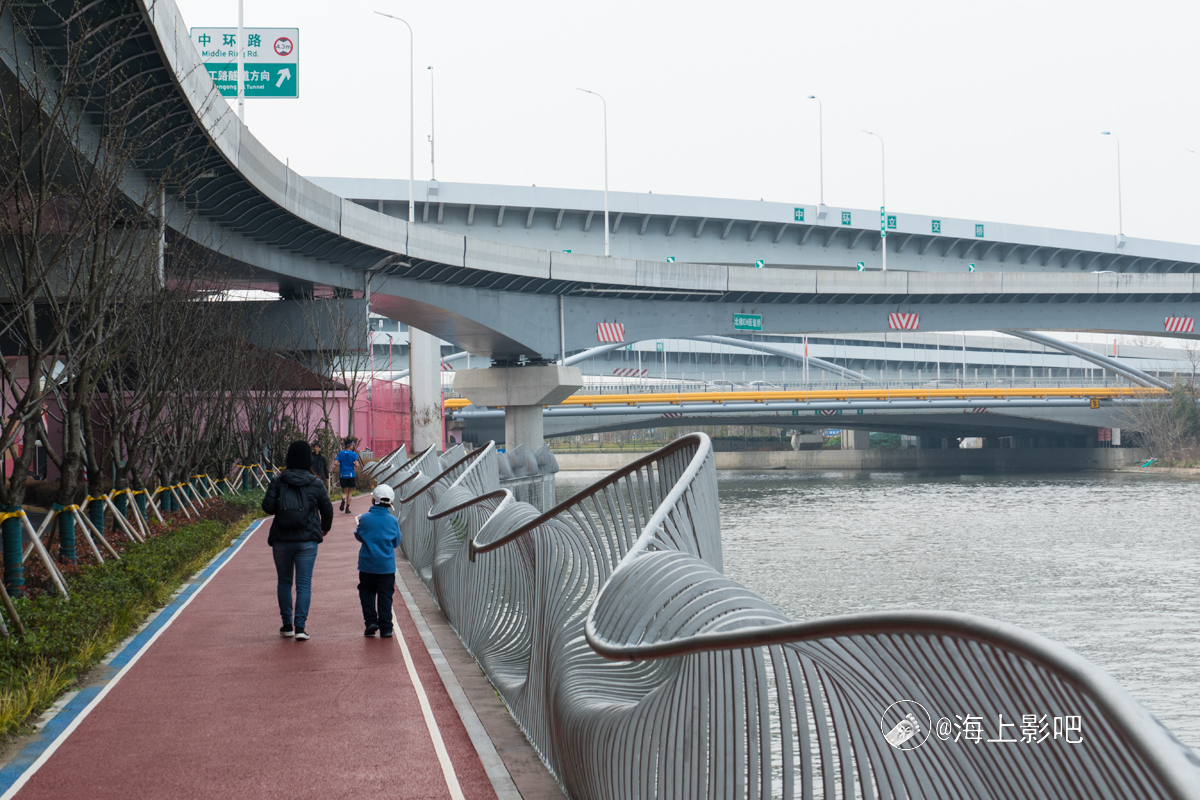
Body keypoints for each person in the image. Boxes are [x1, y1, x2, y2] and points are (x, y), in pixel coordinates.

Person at [262, 440, 333, 641]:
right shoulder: (316, 482)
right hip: (307, 540)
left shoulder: (278, 480)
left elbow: (267, 508)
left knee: (284, 582)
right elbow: (327, 508)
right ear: (308, 459)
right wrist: (324, 528)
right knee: (304, 584)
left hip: (281, 539)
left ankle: (287, 625)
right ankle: (301, 627)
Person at [354, 484, 400, 638]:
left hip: (367, 565)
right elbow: (396, 542)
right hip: (386, 567)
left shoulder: (365, 518)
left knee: (366, 592)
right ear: (391, 503)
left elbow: (359, 535)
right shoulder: (393, 521)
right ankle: (386, 627)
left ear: (373, 500)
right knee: (385, 596)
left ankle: (371, 621)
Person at [335, 438, 361, 514]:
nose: (353, 446)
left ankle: (343, 499)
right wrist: (353, 464)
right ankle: (347, 508)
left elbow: (335, 463)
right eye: (352, 445)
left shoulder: (340, 453)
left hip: (343, 474)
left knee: (344, 492)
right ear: (349, 445)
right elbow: (356, 464)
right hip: (351, 475)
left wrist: (341, 464)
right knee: (350, 492)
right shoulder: (353, 454)